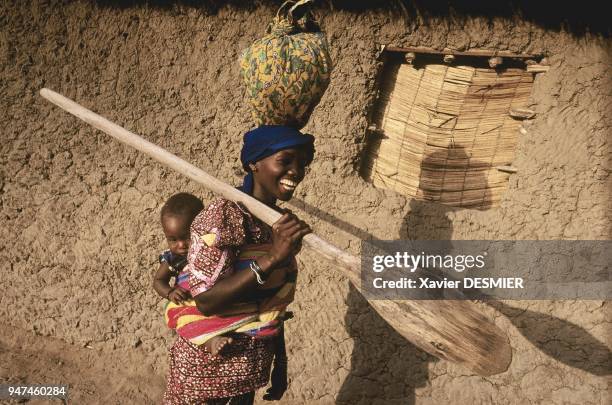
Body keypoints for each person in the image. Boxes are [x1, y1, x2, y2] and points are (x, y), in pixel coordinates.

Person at [163, 125, 314, 405]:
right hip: (205, 376)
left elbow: (270, 306)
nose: (297, 171)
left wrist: (280, 364)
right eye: (285, 160)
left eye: (302, 163)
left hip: (247, 376)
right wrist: (271, 259)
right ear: (254, 163)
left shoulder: (279, 224)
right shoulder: (223, 218)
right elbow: (207, 302)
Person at [153, 192, 204, 305]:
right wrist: (170, 292)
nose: (181, 245)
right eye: (173, 240)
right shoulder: (173, 258)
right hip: (187, 303)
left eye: (187, 237)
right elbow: (158, 281)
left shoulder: (211, 250)